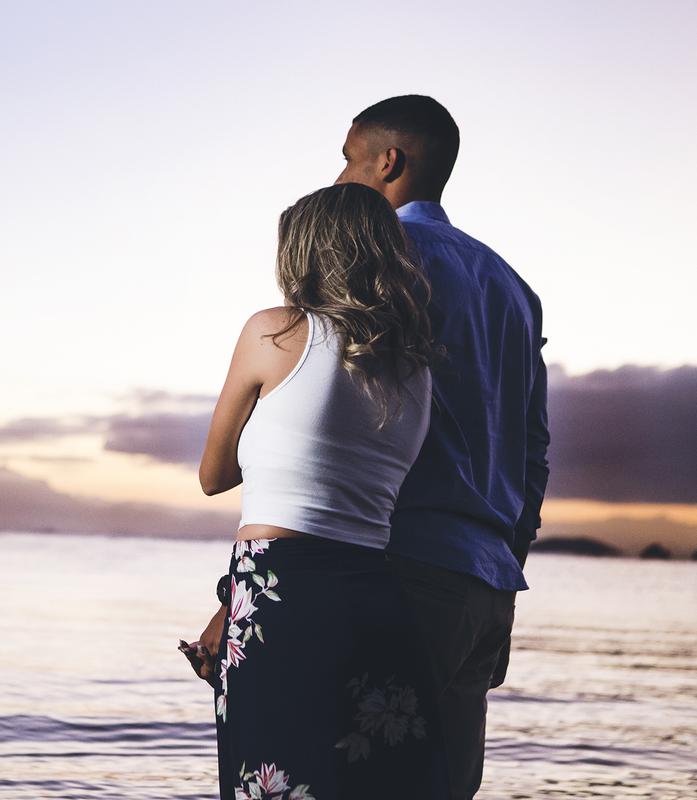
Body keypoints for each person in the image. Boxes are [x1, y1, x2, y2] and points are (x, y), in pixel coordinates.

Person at [180, 182, 450, 800]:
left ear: (304, 254)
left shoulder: (273, 333)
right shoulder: (416, 366)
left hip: (284, 601)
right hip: (378, 598)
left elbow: (213, 475)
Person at [333, 95, 550, 800]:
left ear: (388, 161)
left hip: (398, 568)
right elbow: (533, 451)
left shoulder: (377, 256)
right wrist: (503, 569)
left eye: (348, 159)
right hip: (486, 583)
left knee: (358, 781)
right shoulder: (514, 288)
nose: (339, 179)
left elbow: (335, 425)